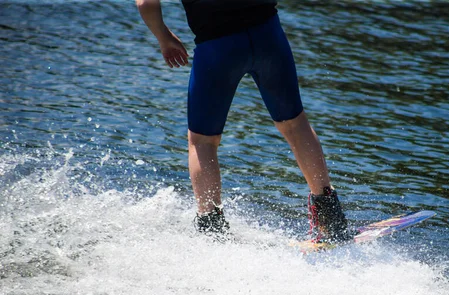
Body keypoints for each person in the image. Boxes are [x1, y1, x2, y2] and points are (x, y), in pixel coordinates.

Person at [136, 0, 350, 243]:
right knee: (294, 123)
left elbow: (146, 3)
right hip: (268, 35)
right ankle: (330, 218)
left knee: (202, 142)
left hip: (218, 47)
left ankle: (212, 231)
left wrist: (164, 37)